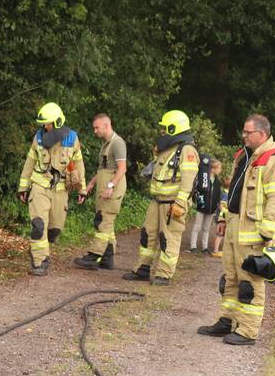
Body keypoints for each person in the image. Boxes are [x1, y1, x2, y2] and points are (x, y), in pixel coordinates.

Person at [197, 114, 275, 345]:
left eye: (248, 132)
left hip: (254, 232)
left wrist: (267, 234)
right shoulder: (243, 156)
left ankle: (247, 331)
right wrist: (222, 217)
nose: (244, 135)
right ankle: (227, 321)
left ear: (262, 133)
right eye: (244, 131)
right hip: (234, 225)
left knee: (250, 281)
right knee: (231, 277)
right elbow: (233, 190)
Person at [122, 110, 198, 286]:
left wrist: (180, 203)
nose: (162, 132)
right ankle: (142, 268)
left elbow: (188, 180)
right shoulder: (169, 149)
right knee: (147, 235)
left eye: (165, 129)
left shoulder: (187, 150)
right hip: (157, 201)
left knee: (169, 238)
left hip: (172, 204)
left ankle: (164, 274)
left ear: (174, 128)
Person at [18, 103, 85, 276]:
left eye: (47, 123)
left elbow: (78, 165)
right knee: (38, 224)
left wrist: (82, 189)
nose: (44, 127)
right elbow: (29, 163)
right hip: (40, 186)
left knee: (55, 229)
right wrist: (23, 187)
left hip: (61, 189)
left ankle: (43, 251)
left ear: (56, 122)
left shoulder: (72, 139)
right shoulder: (38, 138)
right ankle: (39, 261)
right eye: (43, 124)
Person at [74, 114, 127, 270]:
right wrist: (90, 184)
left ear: (106, 125)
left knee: (103, 221)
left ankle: (94, 256)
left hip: (112, 188)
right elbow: (103, 168)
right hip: (103, 186)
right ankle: (107, 259)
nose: (95, 131)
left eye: (97, 127)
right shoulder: (106, 145)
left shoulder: (117, 143)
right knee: (106, 223)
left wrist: (111, 186)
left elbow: (122, 169)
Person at [189, 158, 222, 253]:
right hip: (202, 207)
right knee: (197, 226)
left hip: (211, 209)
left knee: (207, 228)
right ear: (213, 169)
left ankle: (204, 247)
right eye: (219, 168)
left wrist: (218, 204)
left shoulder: (218, 182)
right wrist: (199, 202)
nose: (220, 171)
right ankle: (193, 246)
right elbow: (198, 191)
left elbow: (218, 195)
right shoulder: (204, 179)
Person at [209, 177, 229, 258]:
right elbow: (221, 206)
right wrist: (227, 213)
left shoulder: (227, 192)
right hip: (222, 218)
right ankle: (215, 251)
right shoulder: (225, 194)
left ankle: (219, 250)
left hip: (224, 218)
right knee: (220, 234)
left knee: (223, 234)